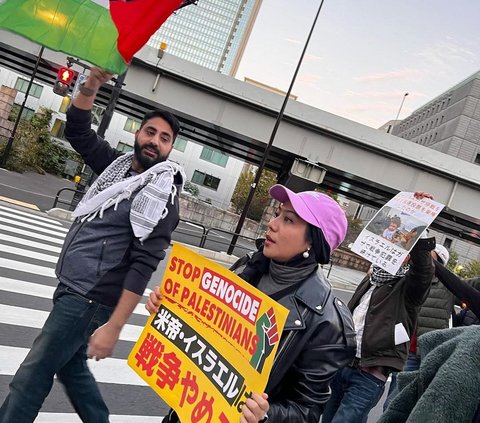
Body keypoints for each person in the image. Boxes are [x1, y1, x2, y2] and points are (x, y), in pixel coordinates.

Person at [0, 67, 186, 423]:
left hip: (90, 298)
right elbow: (79, 131)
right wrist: (90, 86)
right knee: (72, 371)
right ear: (138, 134)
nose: (155, 141)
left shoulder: (161, 195)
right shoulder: (119, 169)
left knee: (32, 376)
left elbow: (143, 264)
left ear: (170, 148)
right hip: (72, 285)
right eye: (150, 132)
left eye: (164, 138)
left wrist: (114, 326)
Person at [147, 185, 356, 422]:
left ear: (313, 242)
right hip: (187, 412)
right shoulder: (247, 266)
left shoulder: (327, 321)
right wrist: (169, 309)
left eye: (288, 220)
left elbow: (306, 411)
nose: (272, 224)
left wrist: (265, 415)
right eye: (278, 213)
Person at [321, 192, 436, 423]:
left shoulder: (409, 288)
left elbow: (423, 272)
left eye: (402, 250)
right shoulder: (373, 277)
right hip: (343, 363)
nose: (394, 251)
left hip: (369, 374)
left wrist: (421, 219)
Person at [382, 244, 454, 411]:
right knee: (393, 400)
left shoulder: (449, 287)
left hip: (430, 351)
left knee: (419, 401)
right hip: (406, 349)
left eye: (428, 256)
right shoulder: (409, 279)